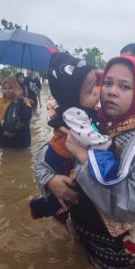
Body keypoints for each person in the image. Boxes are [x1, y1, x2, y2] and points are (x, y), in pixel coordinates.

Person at [34, 55, 135, 269]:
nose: (111, 91)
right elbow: (46, 152)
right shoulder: (90, 118)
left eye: (125, 86)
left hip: (111, 245)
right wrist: (49, 180)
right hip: (81, 226)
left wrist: (83, 157)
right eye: (108, 83)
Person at [29, 52, 111, 221]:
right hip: (62, 159)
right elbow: (88, 138)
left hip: (98, 215)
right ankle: (41, 208)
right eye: (91, 91)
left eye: (98, 85)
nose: (98, 93)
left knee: (67, 196)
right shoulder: (76, 113)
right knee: (64, 197)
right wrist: (49, 179)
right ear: (73, 98)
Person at [0, 76, 32, 149]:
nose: (7, 91)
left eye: (10, 88)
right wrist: (2, 132)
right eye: (5, 88)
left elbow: (26, 117)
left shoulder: (24, 102)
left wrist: (20, 100)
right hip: (4, 141)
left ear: (16, 88)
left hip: (21, 141)